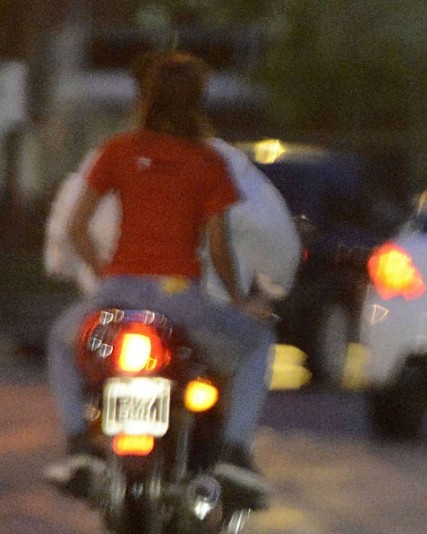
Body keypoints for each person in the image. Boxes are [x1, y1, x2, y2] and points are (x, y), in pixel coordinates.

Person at [44, 51, 277, 506]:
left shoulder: (119, 150)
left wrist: (104, 277)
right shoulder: (207, 162)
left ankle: (78, 446)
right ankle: (233, 453)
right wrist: (237, 299)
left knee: (60, 341)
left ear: (145, 99)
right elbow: (218, 247)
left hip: (118, 292)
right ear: (197, 102)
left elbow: (76, 227)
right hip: (179, 298)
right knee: (257, 343)